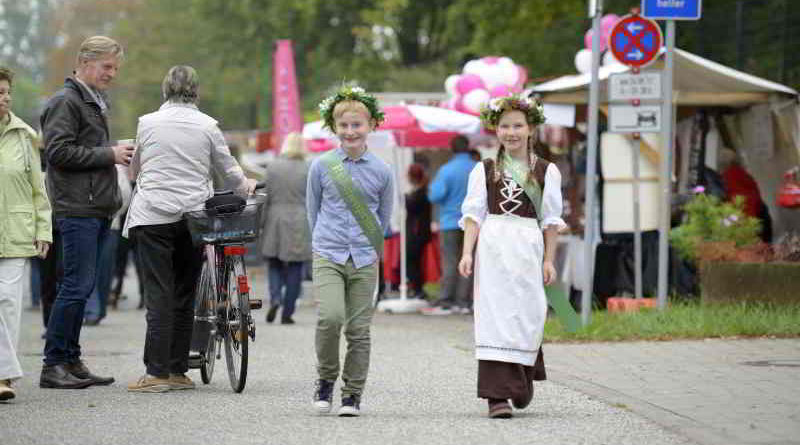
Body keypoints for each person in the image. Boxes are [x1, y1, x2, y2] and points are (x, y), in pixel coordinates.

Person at [123, 65, 256, 393]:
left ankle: (155, 374)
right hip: (194, 218)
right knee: (185, 293)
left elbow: (135, 169)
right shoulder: (208, 125)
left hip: (152, 216)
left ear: (164, 89)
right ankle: (178, 370)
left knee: (159, 293)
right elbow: (228, 168)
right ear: (196, 91)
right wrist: (246, 186)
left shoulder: (147, 122)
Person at [458, 94, 566, 419]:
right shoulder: (484, 169)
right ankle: (497, 397)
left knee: (528, 312)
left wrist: (549, 260)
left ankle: (522, 378)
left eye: (518, 125)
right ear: (496, 130)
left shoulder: (548, 171)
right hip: (493, 248)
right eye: (505, 126)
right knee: (494, 315)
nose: (511, 132)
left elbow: (550, 220)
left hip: (528, 247)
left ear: (530, 128)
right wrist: (467, 253)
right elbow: (474, 215)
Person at [39, 36, 133, 389]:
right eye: (107, 66)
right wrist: (109, 153)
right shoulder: (66, 101)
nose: (112, 74)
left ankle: (71, 358)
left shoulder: (89, 101)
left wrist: (109, 152)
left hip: (91, 206)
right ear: (85, 62)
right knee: (75, 286)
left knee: (81, 285)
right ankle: (53, 365)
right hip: (76, 207)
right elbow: (59, 153)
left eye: (115, 68)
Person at [308, 85, 393, 417]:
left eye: (357, 125)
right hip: (328, 253)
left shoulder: (382, 170)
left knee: (359, 330)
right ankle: (325, 380)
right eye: (344, 126)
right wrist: (322, 243)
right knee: (330, 318)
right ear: (335, 128)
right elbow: (312, 210)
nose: (350, 131)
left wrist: (369, 246)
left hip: (363, 257)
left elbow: (383, 217)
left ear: (370, 125)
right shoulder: (322, 166)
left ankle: (352, 394)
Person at [0, 67, 52, 401]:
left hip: (17, 230)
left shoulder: (23, 135)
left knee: (7, 304)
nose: (4, 98)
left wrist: (43, 228)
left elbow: (38, 189)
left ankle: (3, 376)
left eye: (7, 92)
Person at [260, 132, 312, 325]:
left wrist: (261, 223)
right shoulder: (309, 168)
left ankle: (275, 298)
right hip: (300, 219)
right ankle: (288, 312)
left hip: (275, 218)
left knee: (274, 263)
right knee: (296, 267)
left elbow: (265, 197)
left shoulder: (273, 167)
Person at [425, 135, 476, 315]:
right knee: (469, 260)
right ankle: (464, 301)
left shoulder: (446, 170)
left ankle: (447, 299)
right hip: (474, 223)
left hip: (450, 221)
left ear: (452, 149)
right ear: (468, 147)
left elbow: (435, 196)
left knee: (450, 260)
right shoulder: (477, 168)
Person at [84, 165, 132, 325]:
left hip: (108, 225)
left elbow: (125, 195)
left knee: (99, 270)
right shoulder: (115, 168)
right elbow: (125, 196)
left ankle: (95, 310)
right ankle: (96, 310)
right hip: (109, 224)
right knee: (102, 270)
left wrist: (113, 215)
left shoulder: (115, 167)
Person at [405, 163, 432, 299]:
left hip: (415, 233)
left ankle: (417, 288)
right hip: (419, 232)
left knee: (412, 261)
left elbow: (412, 208)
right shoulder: (422, 192)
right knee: (414, 262)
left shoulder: (419, 194)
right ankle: (416, 288)